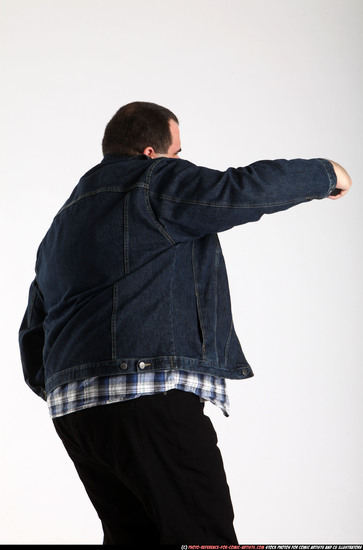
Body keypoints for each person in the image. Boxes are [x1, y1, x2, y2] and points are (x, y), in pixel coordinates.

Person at [19, 101, 352, 545]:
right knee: (204, 535)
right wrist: (326, 173)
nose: (181, 163)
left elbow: (33, 331)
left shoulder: (60, 225)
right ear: (153, 152)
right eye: (178, 153)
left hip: (77, 416)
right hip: (146, 396)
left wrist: (65, 385)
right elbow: (239, 189)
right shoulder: (152, 181)